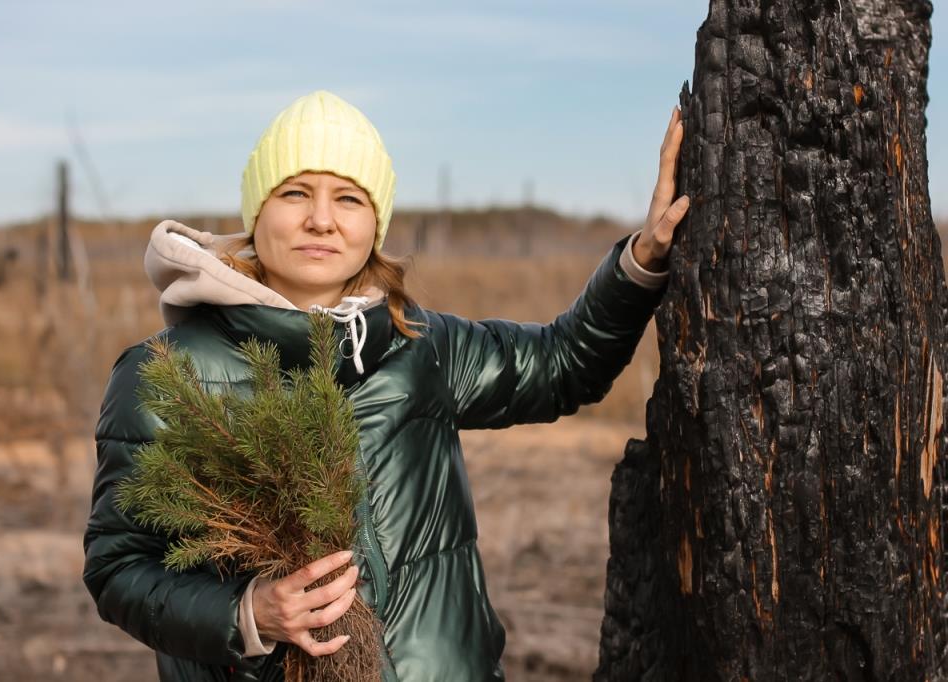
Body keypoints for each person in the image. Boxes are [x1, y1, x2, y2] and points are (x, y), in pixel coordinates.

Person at [83, 90, 688, 682]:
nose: (321, 219)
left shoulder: (421, 345)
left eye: (348, 198)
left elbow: (563, 365)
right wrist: (247, 613)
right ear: (257, 211)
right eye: (295, 193)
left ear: (374, 222)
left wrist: (644, 256)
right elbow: (118, 568)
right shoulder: (167, 375)